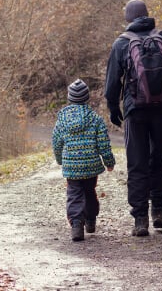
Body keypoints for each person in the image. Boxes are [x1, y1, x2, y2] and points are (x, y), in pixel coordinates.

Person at [105, 0, 162, 237]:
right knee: (158, 160)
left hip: (135, 111)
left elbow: (112, 81)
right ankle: (159, 211)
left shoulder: (122, 43)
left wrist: (113, 107)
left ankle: (140, 219)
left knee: (137, 164)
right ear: (147, 15)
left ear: (128, 17)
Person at [52, 79, 115, 241]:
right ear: (86, 98)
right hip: (91, 165)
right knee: (89, 191)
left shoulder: (62, 120)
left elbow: (57, 143)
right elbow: (103, 143)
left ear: (69, 98)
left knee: (74, 194)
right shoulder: (95, 119)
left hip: (71, 166)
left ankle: (76, 225)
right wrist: (109, 161)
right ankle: (91, 220)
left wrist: (60, 159)